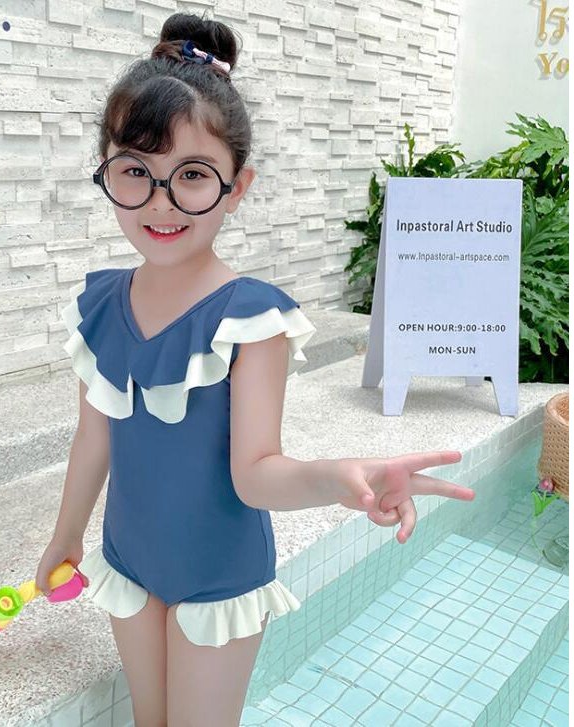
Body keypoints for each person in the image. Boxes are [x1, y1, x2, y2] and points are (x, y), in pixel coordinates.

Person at [35, 11, 476, 727]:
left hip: (218, 575)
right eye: (136, 170)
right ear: (107, 170)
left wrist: (340, 477)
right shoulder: (102, 305)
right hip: (128, 556)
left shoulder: (251, 319)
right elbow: (94, 438)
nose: (160, 200)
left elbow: (255, 473)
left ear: (236, 187)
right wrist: (66, 536)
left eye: (192, 176)